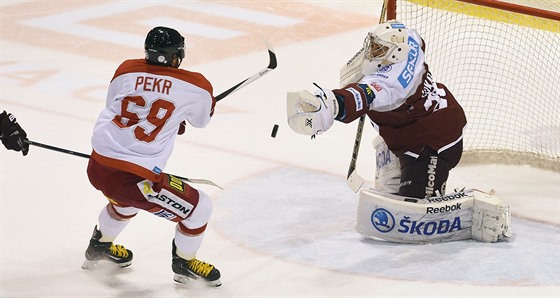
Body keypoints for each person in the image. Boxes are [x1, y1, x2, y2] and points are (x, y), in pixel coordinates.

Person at [82, 26, 221, 287]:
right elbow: (201, 121)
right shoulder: (197, 86)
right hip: (133, 178)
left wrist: (167, 121)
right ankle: (184, 264)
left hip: (98, 165)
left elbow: (115, 106)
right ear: (176, 56)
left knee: (125, 202)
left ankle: (99, 247)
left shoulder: (126, 69)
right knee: (200, 208)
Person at [287, 20, 467, 199]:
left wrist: (332, 105)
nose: (372, 52)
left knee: (414, 209)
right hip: (419, 123)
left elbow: (363, 95)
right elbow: (414, 38)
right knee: (388, 196)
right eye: (374, 45)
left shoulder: (392, 86)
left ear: (396, 53)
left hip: (434, 141)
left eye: (379, 49)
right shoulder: (410, 40)